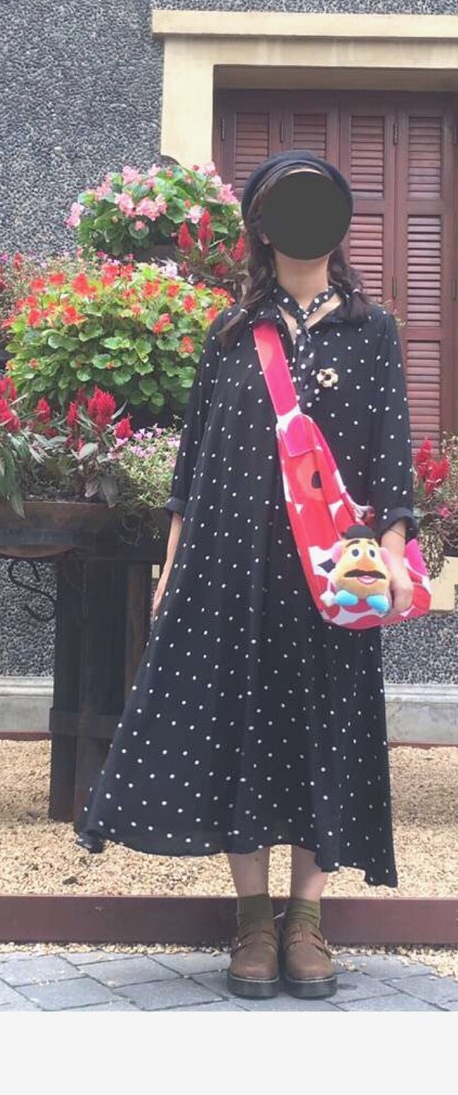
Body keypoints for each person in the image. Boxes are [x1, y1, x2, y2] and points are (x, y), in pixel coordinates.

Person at [74, 149, 418, 1001]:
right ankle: (254, 920)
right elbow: (192, 465)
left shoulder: (372, 332)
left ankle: (308, 921)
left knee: (325, 730)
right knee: (240, 732)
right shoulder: (230, 334)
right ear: (262, 227)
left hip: (337, 575)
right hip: (232, 569)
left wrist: (396, 552)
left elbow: (390, 455)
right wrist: (171, 566)